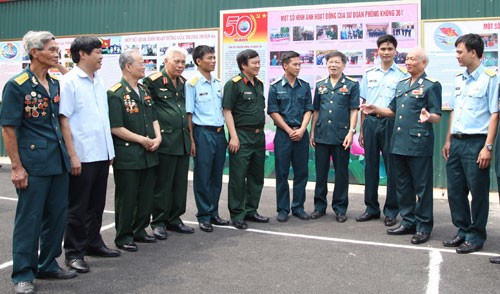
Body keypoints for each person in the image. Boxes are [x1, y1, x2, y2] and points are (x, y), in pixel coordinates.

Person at [0, 31, 76, 294]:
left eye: (58, 49)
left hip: (57, 161)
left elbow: (61, 119)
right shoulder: (17, 85)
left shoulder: (55, 82)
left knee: (56, 216)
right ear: (34, 52)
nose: (57, 53)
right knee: (29, 219)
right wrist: (17, 167)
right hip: (33, 163)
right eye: (52, 49)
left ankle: (48, 263)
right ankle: (23, 273)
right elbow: (8, 129)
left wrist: (70, 155)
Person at [361, 47, 442, 244]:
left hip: (419, 143)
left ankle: (423, 226)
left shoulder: (432, 85)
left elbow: (437, 116)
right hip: (398, 142)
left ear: (423, 63)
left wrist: (428, 116)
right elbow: (392, 112)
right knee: (403, 185)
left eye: (413, 59)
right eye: (407, 59)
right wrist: (374, 108)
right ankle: (408, 221)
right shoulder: (402, 84)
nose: (408, 62)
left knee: (421, 187)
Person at [59, 36, 120, 274]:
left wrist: (109, 150)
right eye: (97, 51)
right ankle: (74, 253)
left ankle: (94, 243)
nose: (101, 56)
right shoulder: (69, 82)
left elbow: (102, 118)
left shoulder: (98, 80)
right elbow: (64, 119)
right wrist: (72, 155)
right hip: (82, 155)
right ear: (82, 54)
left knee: (96, 204)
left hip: (101, 153)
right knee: (78, 206)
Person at [442, 33, 499, 254]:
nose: (457, 56)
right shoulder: (459, 79)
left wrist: (488, 146)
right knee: (455, 190)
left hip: (477, 143)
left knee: (478, 192)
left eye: (459, 52)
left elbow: (495, 114)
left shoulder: (490, 78)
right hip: (457, 142)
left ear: (473, 52)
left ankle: (476, 235)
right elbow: (455, 111)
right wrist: (448, 139)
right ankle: (462, 230)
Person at [108, 49, 161, 252]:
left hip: (149, 153)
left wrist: (158, 137)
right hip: (129, 154)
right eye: (141, 63)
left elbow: (154, 117)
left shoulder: (144, 91)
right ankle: (123, 235)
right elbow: (116, 127)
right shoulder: (115, 94)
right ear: (128, 66)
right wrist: (142, 140)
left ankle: (140, 230)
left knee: (146, 195)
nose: (144, 66)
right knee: (127, 197)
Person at [356, 35, 408, 227]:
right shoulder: (369, 74)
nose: (386, 52)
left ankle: (391, 210)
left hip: (390, 124)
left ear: (395, 51)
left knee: (392, 168)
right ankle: (371, 208)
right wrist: (361, 131)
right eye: (383, 49)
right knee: (370, 167)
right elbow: (363, 104)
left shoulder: (402, 76)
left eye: (389, 49)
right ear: (377, 52)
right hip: (370, 123)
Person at [143, 46, 195, 237]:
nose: (181, 65)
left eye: (183, 62)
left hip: (181, 141)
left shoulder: (183, 82)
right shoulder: (153, 82)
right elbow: (148, 111)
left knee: (180, 183)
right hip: (165, 141)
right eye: (177, 61)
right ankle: (159, 221)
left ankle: (175, 218)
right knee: (163, 184)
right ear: (165, 62)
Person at [309, 51, 359, 223]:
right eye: (330, 62)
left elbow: (354, 110)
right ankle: (319, 207)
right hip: (322, 134)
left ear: (343, 65)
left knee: (341, 174)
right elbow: (316, 110)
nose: (333, 65)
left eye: (337, 62)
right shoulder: (320, 84)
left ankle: (340, 208)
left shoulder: (352, 84)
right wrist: (312, 132)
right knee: (321, 173)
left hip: (341, 135)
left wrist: (351, 132)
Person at [223, 49, 269, 230]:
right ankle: (237, 213)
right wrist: (233, 137)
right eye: (254, 63)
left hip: (259, 136)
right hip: (241, 135)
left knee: (256, 176)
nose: (258, 66)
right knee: (238, 177)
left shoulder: (259, 84)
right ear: (243, 65)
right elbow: (227, 110)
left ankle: (251, 210)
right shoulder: (233, 85)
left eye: (259, 62)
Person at [185, 45, 230, 233]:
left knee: (216, 175)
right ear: (198, 61)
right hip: (202, 133)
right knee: (203, 176)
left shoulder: (218, 83)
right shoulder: (192, 84)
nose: (213, 61)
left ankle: (214, 212)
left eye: (214, 58)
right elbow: (189, 115)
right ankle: (203, 215)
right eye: (209, 58)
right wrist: (192, 141)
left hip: (219, 133)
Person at [267, 51, 313, 222]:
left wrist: (301, 129)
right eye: (295, 64)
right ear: (285, 66)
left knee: (301, 173)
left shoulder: (305, 86)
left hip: (301, 134)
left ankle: (298, 207)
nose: (298, 67)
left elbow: (309, 108)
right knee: (282, 173)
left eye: (300, 64)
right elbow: (273, 111)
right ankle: (283, 209)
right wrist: (288, 130)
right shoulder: (275, 86)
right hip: (283, 135)